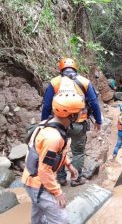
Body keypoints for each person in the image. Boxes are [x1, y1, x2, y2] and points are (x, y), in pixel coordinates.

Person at [22, 92, 83, 224]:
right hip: (39, 184)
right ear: (72, 115)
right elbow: (44, 170)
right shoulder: (53, 138)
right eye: (78, 112)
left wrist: (69, 165)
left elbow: (54, 154)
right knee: (61, 220)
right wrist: (57, 192)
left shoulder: (46, 123)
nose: (80, 115)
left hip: (31, 180)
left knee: (38, 217)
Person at [41, 58, 102, 187]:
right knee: (78, 152)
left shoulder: (55, 82)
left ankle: (61, 178)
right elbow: (94, 102)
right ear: (75, 68)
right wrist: (98, 120)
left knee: (59, 150)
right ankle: (76, 178)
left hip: (59, 123)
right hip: (79, 122)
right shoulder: (85, 82)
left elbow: (46, 105)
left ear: (61, 69)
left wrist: (44, 123)